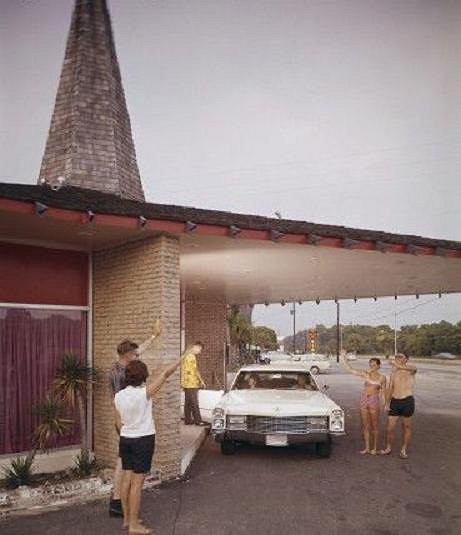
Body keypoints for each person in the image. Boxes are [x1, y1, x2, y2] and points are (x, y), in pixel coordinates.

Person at [114, 354, 185, 535]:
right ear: (143, 376)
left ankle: (127, 519)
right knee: (137, 484)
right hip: (142, 440)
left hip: (126, 439)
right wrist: (183, 356)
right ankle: (134, 526)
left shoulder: (118, 396)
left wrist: (128, 432)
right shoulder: (143, 393)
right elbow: (166, 374)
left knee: (126, 479)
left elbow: (118, 423)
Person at [108, 320, 161, 518]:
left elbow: (141, 349)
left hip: (127, 421)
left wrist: (154, 336)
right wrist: (121, 426)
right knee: (123, 463)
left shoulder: (123, 366)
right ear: (127, 356)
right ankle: (117, 502)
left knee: (123, 462)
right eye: (134, 354)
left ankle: (118, 501)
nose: (137, 356)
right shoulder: (120, 374)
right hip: (126, 422)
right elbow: (120, 403)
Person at [341, 350, 387, 455]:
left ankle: (374, 448)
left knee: (375, 426)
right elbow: (350, 369)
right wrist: (343, 357)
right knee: (365, 426)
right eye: (370, 364)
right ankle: (367, 448)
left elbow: (383, 392)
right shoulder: (365, 374)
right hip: (364, 400)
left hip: (374, 400)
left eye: (374, 365)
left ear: (378, 366)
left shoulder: (382, 378)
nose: (372, 366)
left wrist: (385, 404)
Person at [380, 353, 417, 459]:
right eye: (397, 357)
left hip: (407, 401)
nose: (398, 358)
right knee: (390, 428)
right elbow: (390, 388)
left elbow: (410, 368)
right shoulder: (393, 373)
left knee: (406, 427)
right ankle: (388, 448)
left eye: (401, 357)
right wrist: (387, 403)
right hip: (395, 401)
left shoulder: (411, 369)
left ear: (406, 359)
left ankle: (403, 449)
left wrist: (394, 363)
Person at [181, 341, 207, 426]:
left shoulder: (185, 355)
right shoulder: (192, 356)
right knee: (194, 403)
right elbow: (195, 370)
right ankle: (198, 421)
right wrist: (201, 381)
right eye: (200, 349)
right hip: (192, 383)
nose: (200, 352)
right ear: (196, 347)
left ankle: (187, 420)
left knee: (188, 403)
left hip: (186, 383)